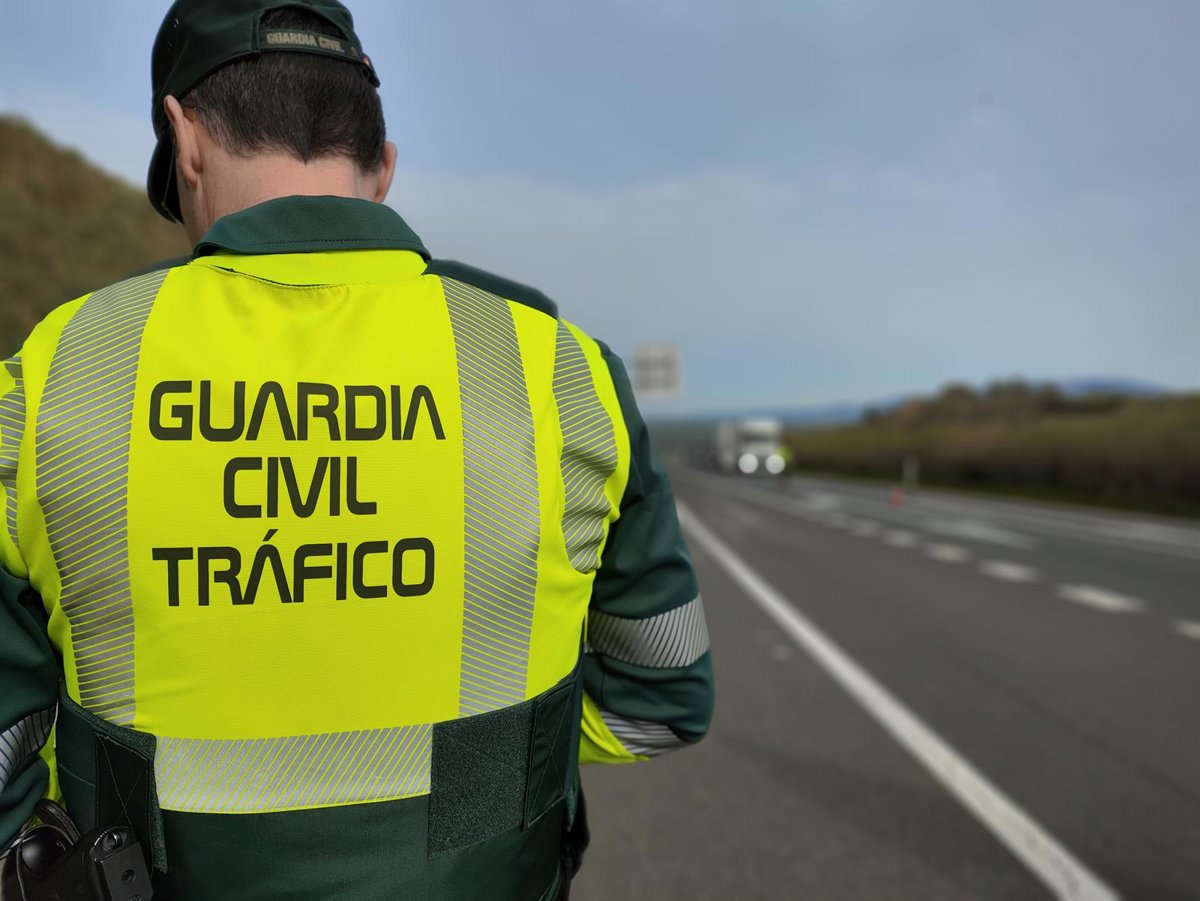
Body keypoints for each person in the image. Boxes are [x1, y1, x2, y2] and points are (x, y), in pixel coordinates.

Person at [0, 1, 714, 899]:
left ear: (184, 140)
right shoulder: (560, 371)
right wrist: (483, 776)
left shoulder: (53, 377)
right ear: (382, 166)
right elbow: (662, 695)